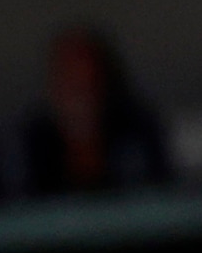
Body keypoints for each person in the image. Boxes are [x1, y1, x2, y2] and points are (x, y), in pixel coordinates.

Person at [23, 27, 173, 198]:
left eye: (87, 81)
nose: (80, 93)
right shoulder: (36, 140)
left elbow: (157, 193)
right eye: (70, 80)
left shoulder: (136, 131)